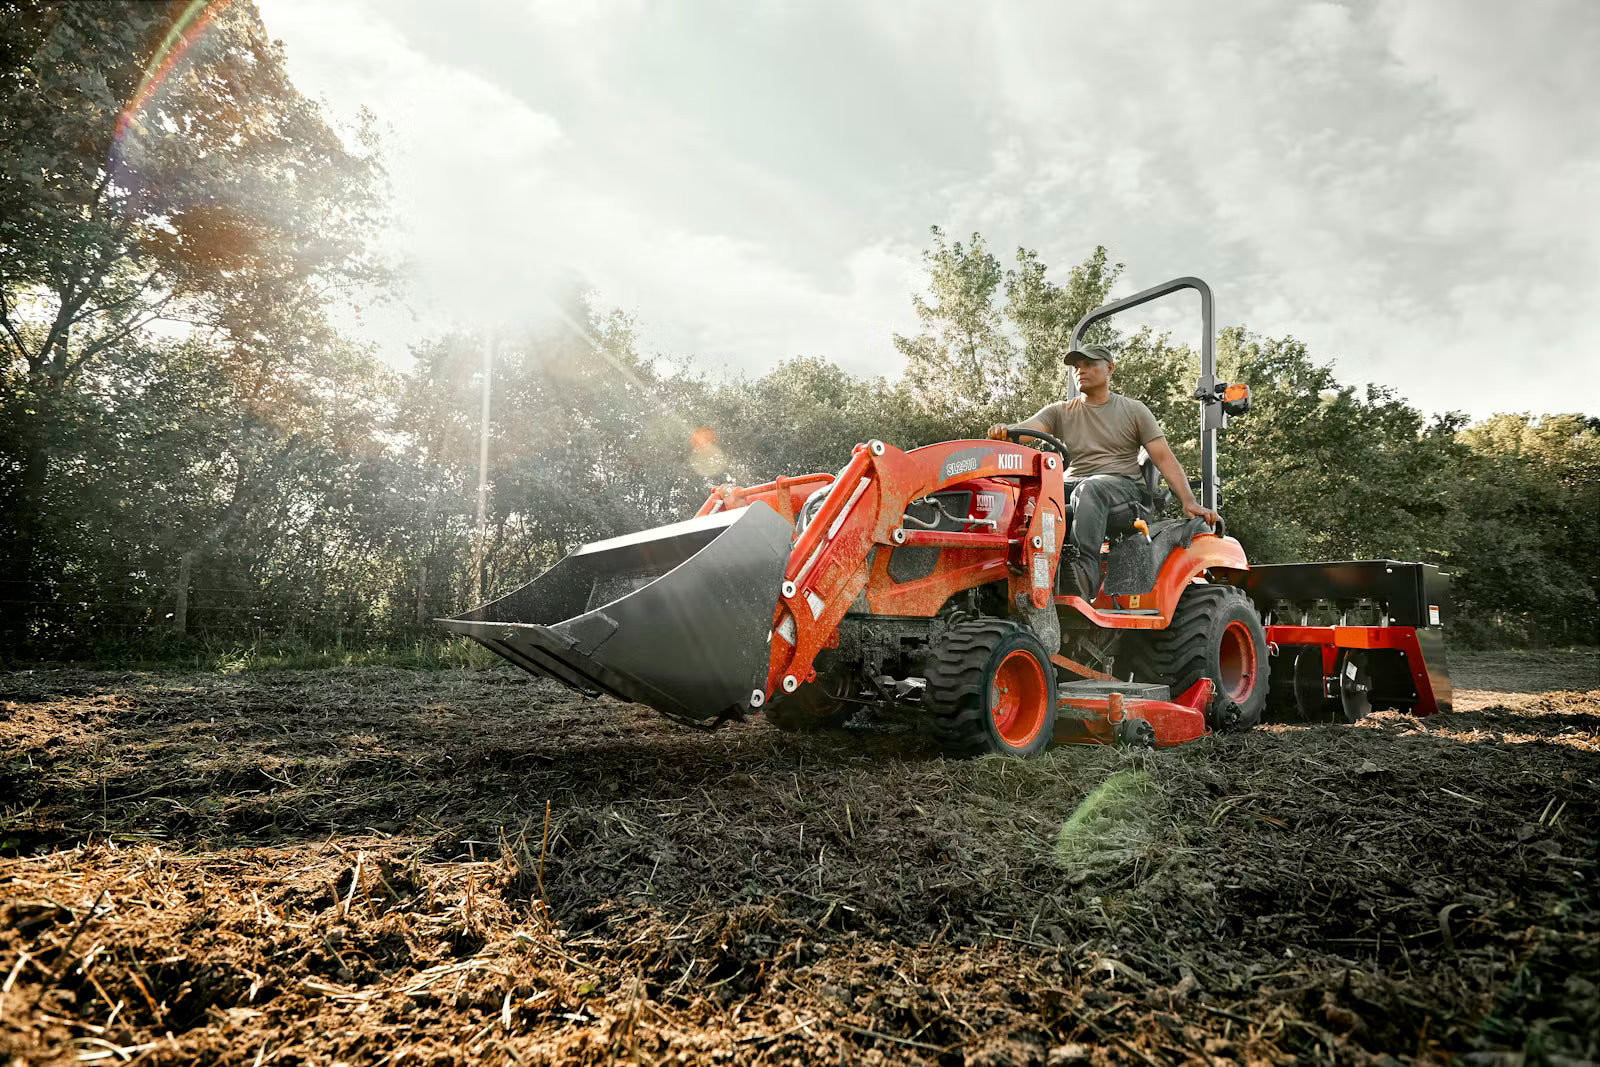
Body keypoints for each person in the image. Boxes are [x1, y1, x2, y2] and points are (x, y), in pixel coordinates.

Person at [986, 343, 1219, 601]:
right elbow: (1028, 430)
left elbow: (1164, 458)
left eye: (1089, 364)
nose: (1080, 371)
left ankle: (1085, 573)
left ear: (1109, 368)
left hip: (1122, 488)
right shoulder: (1061, 411)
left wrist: (1189, 501)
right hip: (1072, 485)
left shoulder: (1133, 410)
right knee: (1019, 494)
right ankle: (1005, 570)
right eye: (1076, 367)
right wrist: (1007, 431)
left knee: (1091, 488)